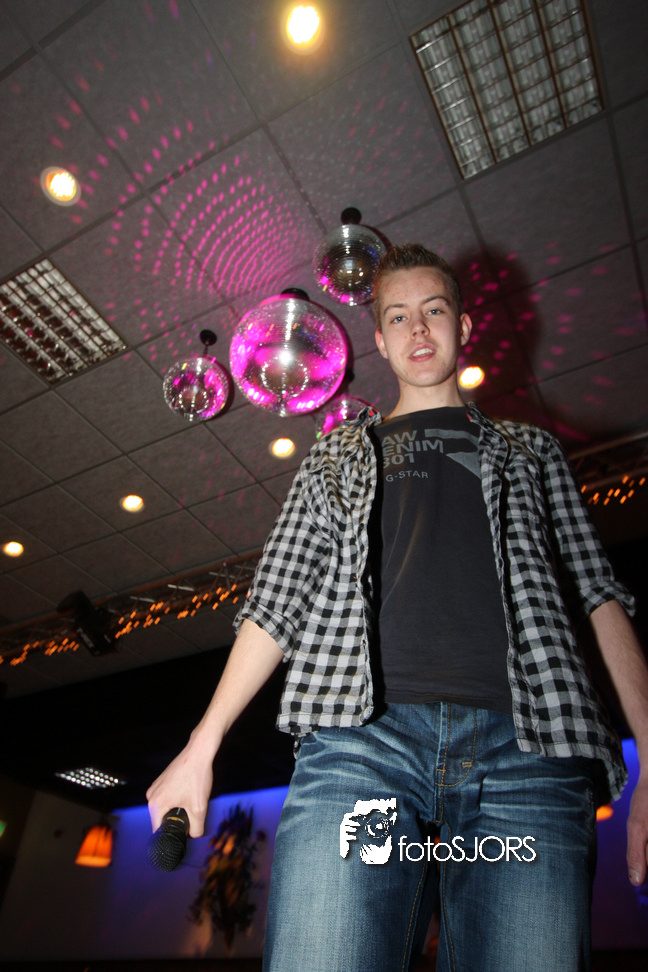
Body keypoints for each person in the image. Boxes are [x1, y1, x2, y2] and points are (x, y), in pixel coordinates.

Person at [148, 244, 648, 971]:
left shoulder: (532, 452)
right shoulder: (334, 457)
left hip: (530, 751)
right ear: (379, 340)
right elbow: (276, 602)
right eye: (398, 316)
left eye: (434, 310)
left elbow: (599, 595)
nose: (418, 328)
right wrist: (202, 745)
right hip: (362, 744)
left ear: (463, 326)